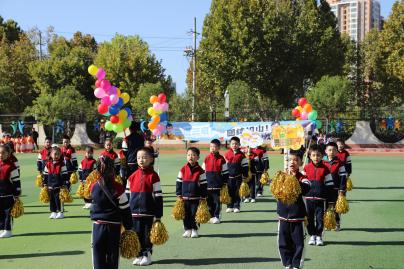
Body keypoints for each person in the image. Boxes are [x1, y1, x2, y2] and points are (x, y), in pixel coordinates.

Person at [90, 156, 133, 269]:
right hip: (114, 228)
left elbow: (93, 205)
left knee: (97, 256)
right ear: (113, 169)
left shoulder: (93, 186)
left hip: (98, 227)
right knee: (113, 257)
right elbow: (126, 210)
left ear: (97, 170)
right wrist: (128, 227)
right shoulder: (119, 188)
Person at [127, 147, 163, 266]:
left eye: (144, 157)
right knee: (136, 234)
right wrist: (126, 212)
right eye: (138, 158)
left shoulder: (154, 176)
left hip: (148, 212)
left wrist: (158, 215)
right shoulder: (132, 177)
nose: (141, 160)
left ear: (151, 159)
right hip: (134, 213)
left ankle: (147, 255)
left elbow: (158, 196)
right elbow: (127, 196)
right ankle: (138, 254)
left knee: (147, 235)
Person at [277, 151, 310, 269]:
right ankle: (287, 264)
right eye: (290, 159)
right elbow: (276, 191)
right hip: (283, 217)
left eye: (296, 160)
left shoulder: (303, 177)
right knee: (283, 242)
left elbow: (307, 188)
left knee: (298, 243)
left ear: (301, 162)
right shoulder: (281, 176)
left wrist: (295, 181)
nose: (292, 162)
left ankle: (296, 265)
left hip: (298, 217)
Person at [303, 144, 333, 246]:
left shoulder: (326, 169)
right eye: (314, 155)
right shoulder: (306, 168)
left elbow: (330, 185)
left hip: (321, 199)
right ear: (310, 156)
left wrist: (330, 200)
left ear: (322, 156)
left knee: (320, 218)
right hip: (308, 198)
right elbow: (302, 183)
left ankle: (319, 236)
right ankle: (312, 235)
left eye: (318, 155)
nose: (316, 157)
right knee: (309, 218)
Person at [176, 147, 207, 237]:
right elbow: (178, 182)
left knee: (195, 214)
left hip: (196, 197)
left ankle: (195, 230)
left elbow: (204, 185)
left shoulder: (200, 171)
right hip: (184, 197)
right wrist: (179, 194)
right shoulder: (183, 169)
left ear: (198, 157)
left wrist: (203, 196)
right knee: (185, 214)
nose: (191, 157)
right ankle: (187, 229)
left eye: (193, 155)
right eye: (189, 155)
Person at [203, 139, 228, 224]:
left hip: (218, 185)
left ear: (218, 148)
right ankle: (211, 216)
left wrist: (224, 183)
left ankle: (217, 216)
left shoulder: (222, 159)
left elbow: (225, 173)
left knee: (217, 201)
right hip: (208, 185)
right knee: (209, 202)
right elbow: (202, 171)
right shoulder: (206, 158)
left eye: (214, 147)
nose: (212, 148)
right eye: (211, 146)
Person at [323, 142, 347, 231]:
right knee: (326, 206)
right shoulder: (322, 162)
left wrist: (341, 190)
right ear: (326, 151)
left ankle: (337, 223)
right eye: (329, 150)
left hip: (336, 189)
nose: (331, 152)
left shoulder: (340, 163)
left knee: (336, 207)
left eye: (334, 150)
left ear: (337, 152)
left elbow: (343, 177)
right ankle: (328, 223)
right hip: (325, 189)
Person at [43, 146, 69, 219]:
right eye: (55, 154)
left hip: (59, 186)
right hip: (50, 186)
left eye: (58, 154)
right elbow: (45, 174)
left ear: (60, 154)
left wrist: (65, 184)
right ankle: (53, 212)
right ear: (51, 155)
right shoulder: (48, 164)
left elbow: (65, 175)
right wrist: (45, 183)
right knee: (52, 199)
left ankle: (60, 212)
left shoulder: (62, 164)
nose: (56, 156)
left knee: (59, 199)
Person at [224, 137, 249, 213]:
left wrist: (245, 175)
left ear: (239, 145)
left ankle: (236, 206)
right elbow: (224, 166)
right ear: (230, 144)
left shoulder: (242, 155)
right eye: (233, 144)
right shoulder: (227, 154)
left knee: (237, 192)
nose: (234, 145)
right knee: (229, 192)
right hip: (228, 178)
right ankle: (229, 206)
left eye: (236, 144)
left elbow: (245, 166)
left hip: (238, 177)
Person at [0, 145, 20, 238]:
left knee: (8, 213)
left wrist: (17, 194)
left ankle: (8, 230)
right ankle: (2, 228)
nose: (1, 155)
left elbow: (16, 181)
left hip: (8, 194)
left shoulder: (12, 166)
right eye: (0, 153)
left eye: (3, 153)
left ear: (8, 154)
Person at [122, 122, 145, 188]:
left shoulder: (126, 139)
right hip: (140, 162)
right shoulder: (141, 138)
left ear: (130, 129)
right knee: (139, 179)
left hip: (130, 163)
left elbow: (124, 152)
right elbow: (143, 149)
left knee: (130, 180)